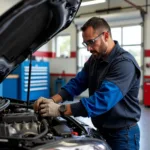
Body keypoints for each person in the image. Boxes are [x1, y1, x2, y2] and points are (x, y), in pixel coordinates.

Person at [34, 17, 141, 150]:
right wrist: (52, 100)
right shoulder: (95, 59)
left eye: (91, 42)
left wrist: (60, 110)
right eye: (86, 44)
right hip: (101, 130)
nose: (89, 49)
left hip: (123, 135)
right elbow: (77, 83)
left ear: (106, 35)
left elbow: (101, 101)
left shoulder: (124, 64)